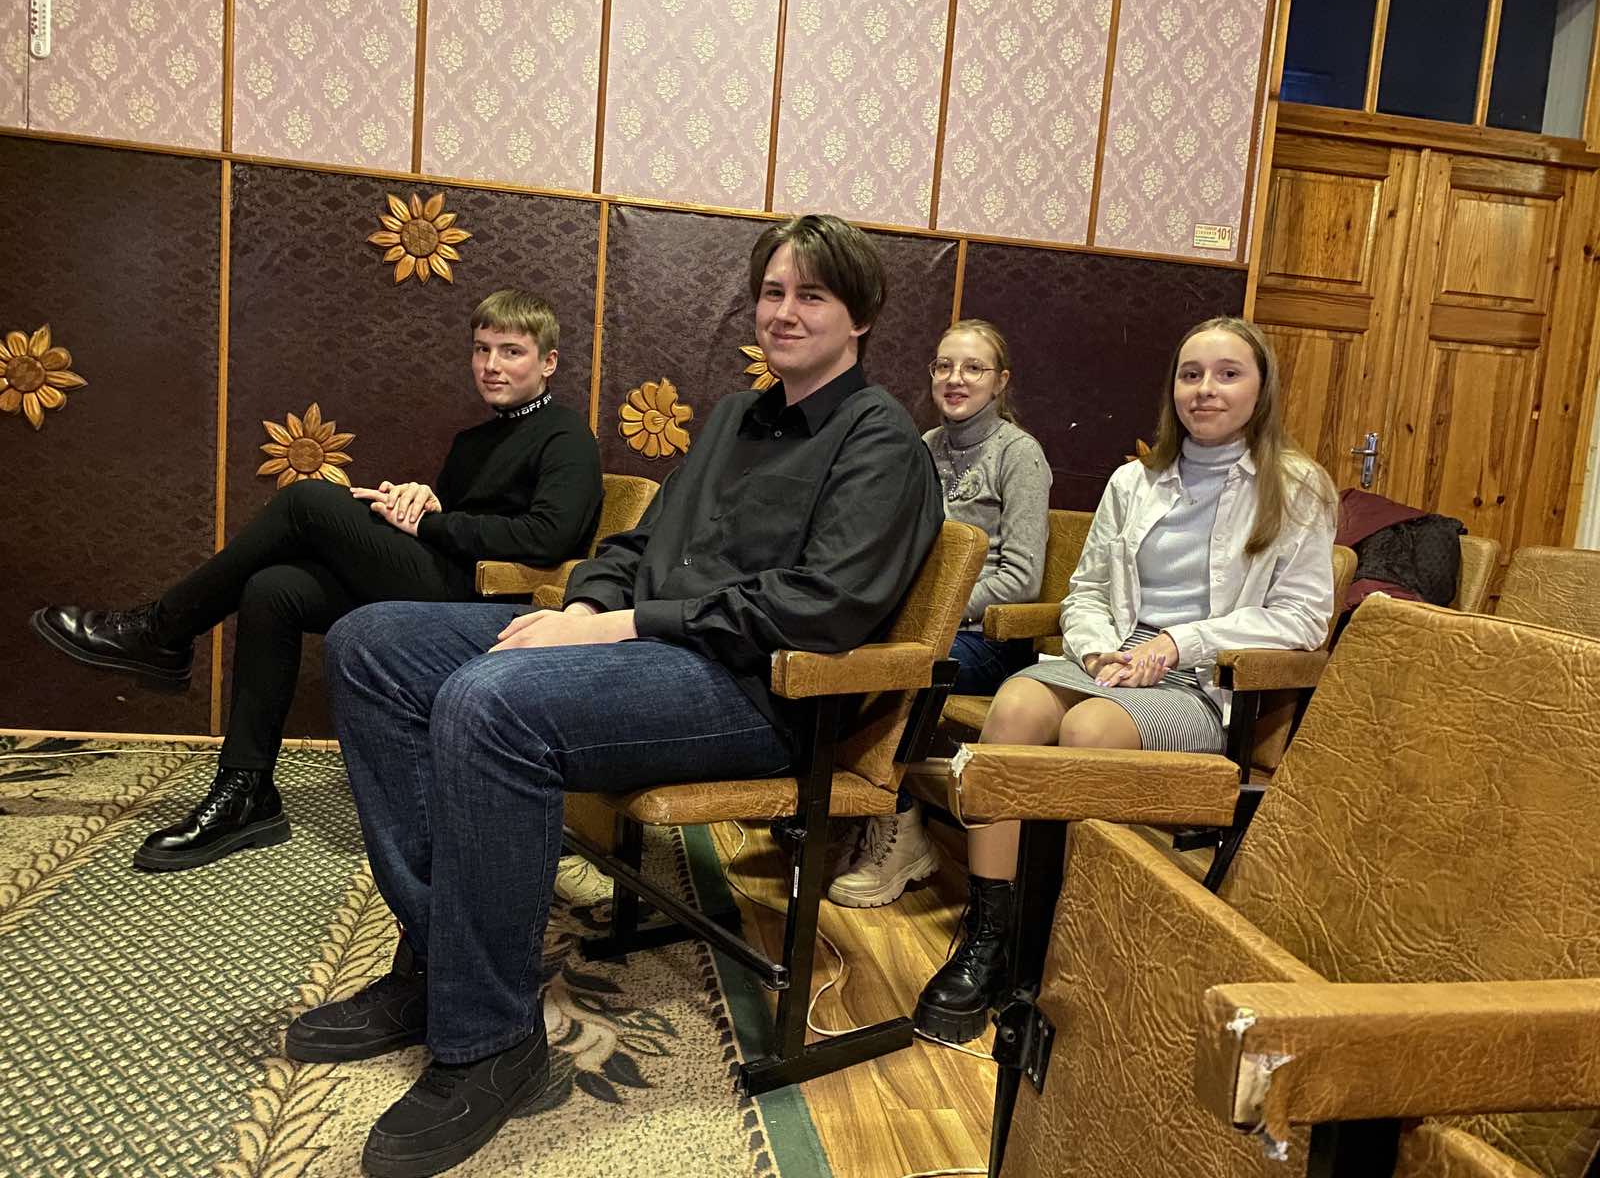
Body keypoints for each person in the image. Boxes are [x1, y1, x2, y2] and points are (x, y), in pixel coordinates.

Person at [284, 214, 942, 1178]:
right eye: (772, 292)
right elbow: (639, 546)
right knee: (370, 643)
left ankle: (492, 1040)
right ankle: (439, 964)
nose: (784, 312)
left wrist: (618, 626)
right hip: (649, 651)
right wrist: (590, 603)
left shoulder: (881, 440)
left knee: (491, 702)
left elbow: (821, 607)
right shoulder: (734, 418)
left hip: (756, 691)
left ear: (862, 316)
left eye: (812, 295)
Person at [31, 290, 602, 872]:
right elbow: (460, 522)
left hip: (487, 601)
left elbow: (547, 537)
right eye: (481, 349)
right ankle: (246, 788)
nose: (491, 365)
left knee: (306, 499)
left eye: (511, 351)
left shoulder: (566, 435)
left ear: (548, 362)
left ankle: (161, 631)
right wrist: (417, 502)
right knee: (273, 589)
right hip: (441, 575)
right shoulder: (472, 442)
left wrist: (432, 523)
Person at [913, 315, 1336, 1044]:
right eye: (1190, 374)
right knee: (1014, 708)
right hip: (1114, 660)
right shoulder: (1134, 480)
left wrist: (1177, 643)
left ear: (1261, 388)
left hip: (1204, 683)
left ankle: (1062, 943)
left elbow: (1302, 619)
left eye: (1228, 374)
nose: (1205, 390)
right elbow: (1085, 592)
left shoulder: (1298, 487)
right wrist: (1099, 652)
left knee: (1087, 728)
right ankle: (992, 938)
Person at [827, 318, 1050, 910]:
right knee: (837, 651)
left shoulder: (1019, 454)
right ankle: (857, 811)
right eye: (944, 366)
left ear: (1001, 381)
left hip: (989, 640)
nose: (956, 379)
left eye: (974, 368)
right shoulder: (924, 446)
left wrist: (936, 615)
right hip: (923, 628)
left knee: (897, 670)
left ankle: (900, 833)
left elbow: (1021, 581)